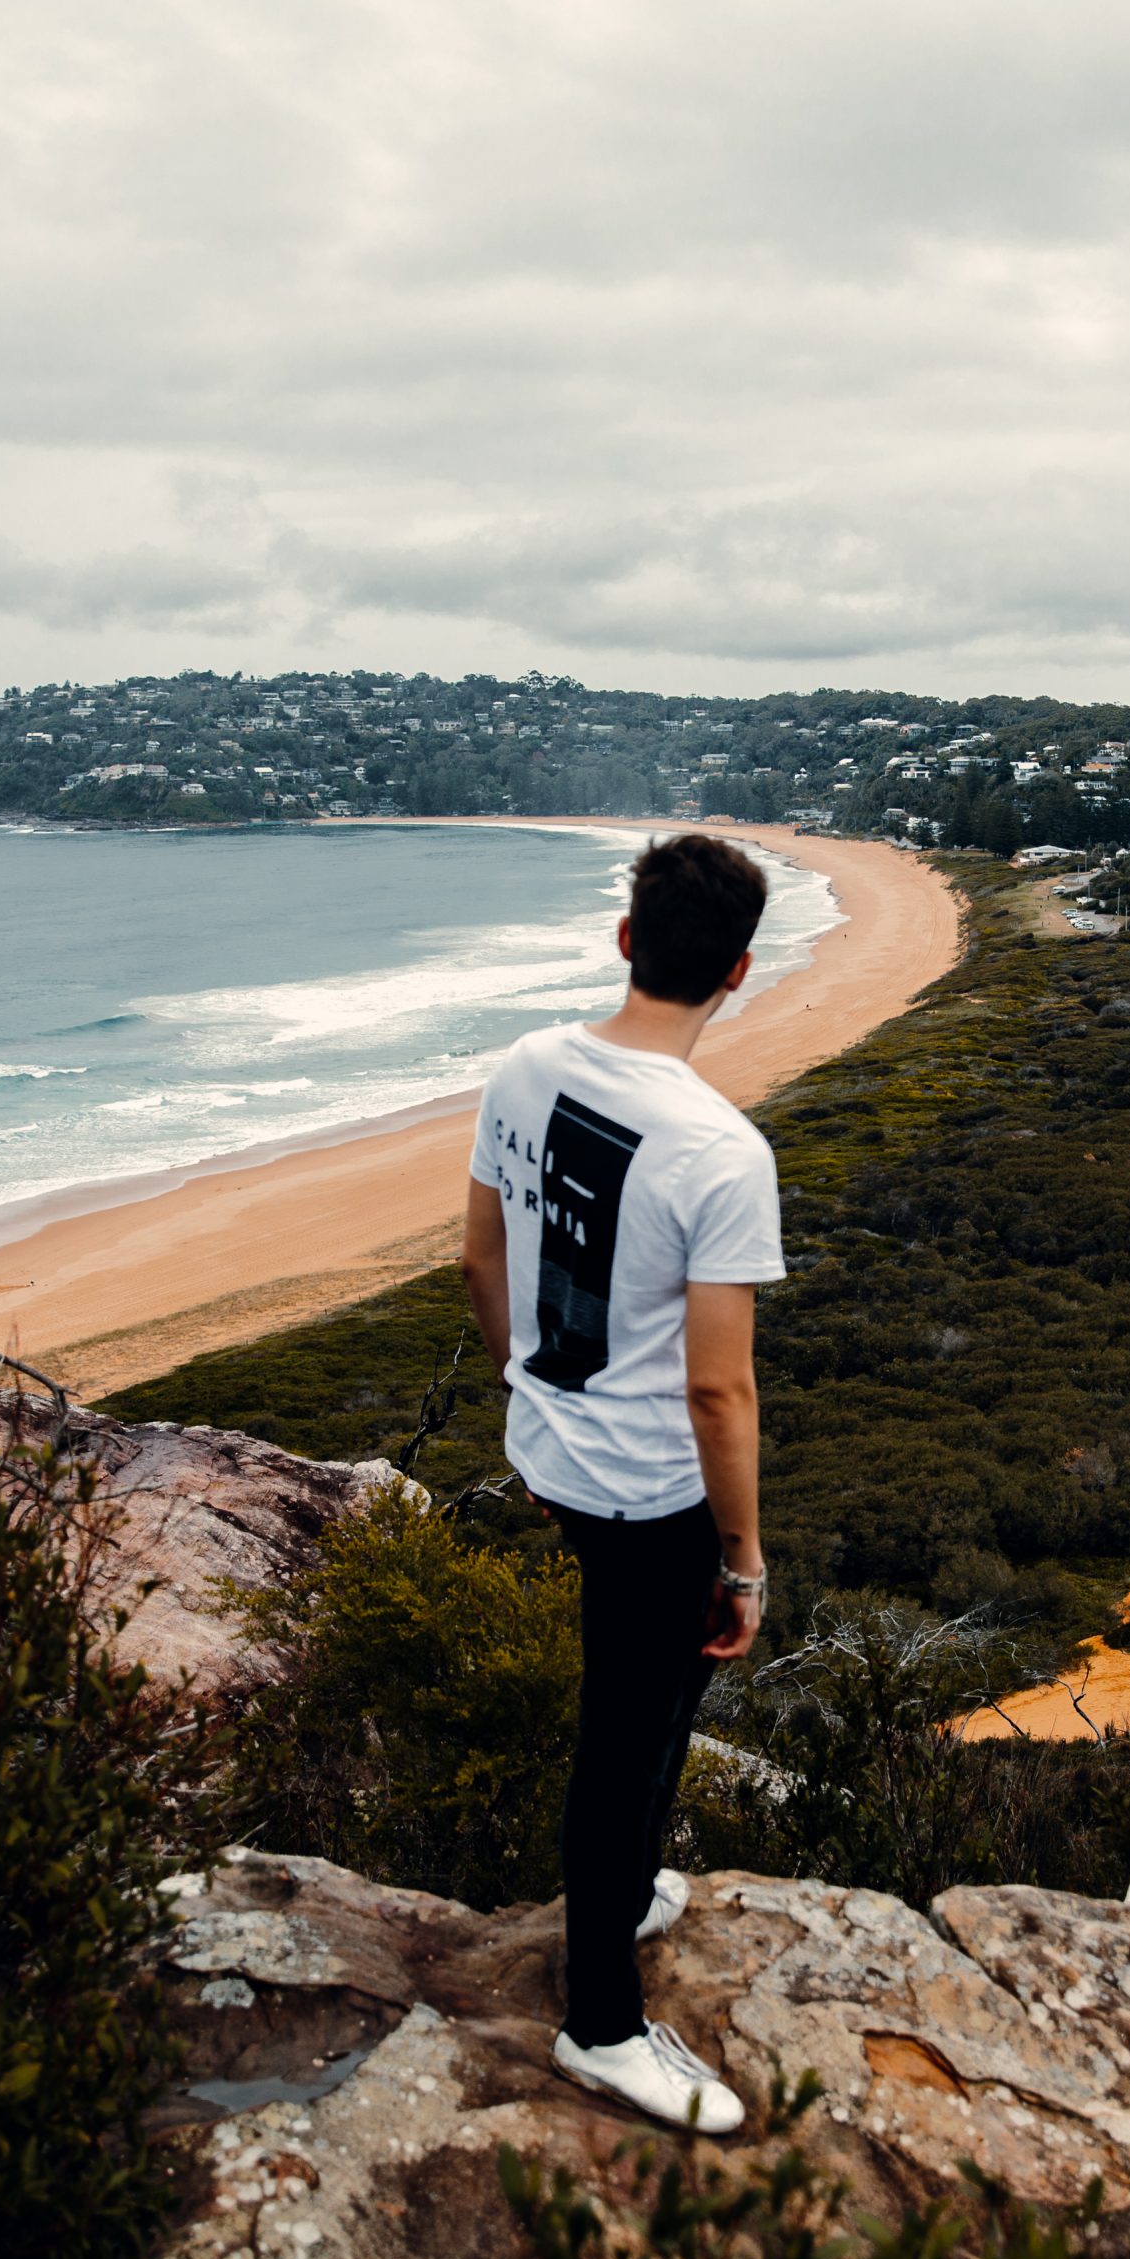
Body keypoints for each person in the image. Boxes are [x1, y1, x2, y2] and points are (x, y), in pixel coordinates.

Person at [460, 832, 781, 2133]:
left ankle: (626, 1884)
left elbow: (481, 1260)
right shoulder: (720, 1151)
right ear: (741, 972)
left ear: (626, 938)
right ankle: (600, 2024)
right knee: (632, 1731)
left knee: (642, 1710)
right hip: (651, 1494)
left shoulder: (527, 1066)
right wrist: (744, 1558)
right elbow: (720, 1391)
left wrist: (529, 1400)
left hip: (550, 1454)